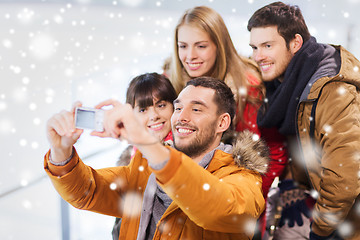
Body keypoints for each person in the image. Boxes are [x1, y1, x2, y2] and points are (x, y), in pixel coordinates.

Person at [44, 76, 269, 239]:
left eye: (197, 109)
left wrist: (146, 142)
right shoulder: (142, 168)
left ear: (222, 123)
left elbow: (216, 208)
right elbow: (87, 192)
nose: (182, 117)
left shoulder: (243, 177)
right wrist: (61, 150)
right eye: (178, 108)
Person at [169, 6, 289, 237]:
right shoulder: (172, 81)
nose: (190, 56)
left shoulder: (247, 88)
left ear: (219, 45)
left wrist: (243, 204)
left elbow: (273, 152)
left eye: (201, 46)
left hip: (229, 205)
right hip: (181, 201)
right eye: (183, 46)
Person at [247, 2, 360, 239]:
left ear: (295, 43)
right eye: (254, 47)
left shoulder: (331, 91)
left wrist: (319, 230)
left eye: (267, 45)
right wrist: (292, 185)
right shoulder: (287, 84)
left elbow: (345, 178)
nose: (258, 56)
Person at [110, 72, 177, 239]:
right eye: (143, 109)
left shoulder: (188, 154)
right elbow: (119, 227)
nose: (153, 115)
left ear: (175, 107)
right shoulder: (130, 162)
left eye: (161, 105)